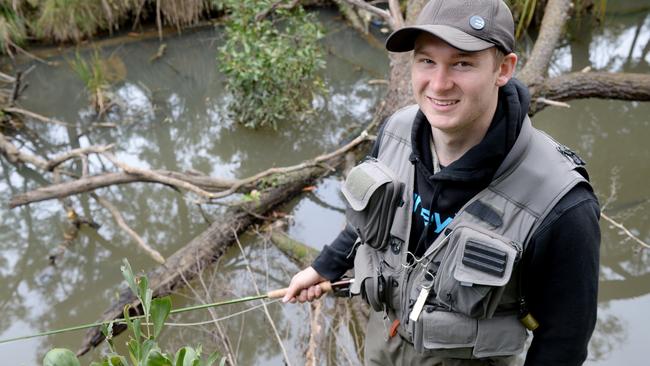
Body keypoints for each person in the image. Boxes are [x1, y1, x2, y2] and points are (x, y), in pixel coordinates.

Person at [283, 0, 601, 365]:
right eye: (426, 61)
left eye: (462, 63)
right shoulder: (396, 131)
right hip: (383, 349)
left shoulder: (561, 204)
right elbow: (368, 216)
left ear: (503, 69)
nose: (438, 83)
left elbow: (565, 341)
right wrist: (325, 266)